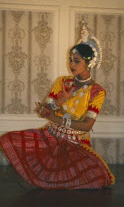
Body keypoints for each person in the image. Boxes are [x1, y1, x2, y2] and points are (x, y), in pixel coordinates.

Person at [0, 23, 115, 189]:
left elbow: (87, 125)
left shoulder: (97, 91)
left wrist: (54, 117)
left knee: (92, 179)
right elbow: (44, 111)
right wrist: (60, 101)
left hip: (75, 142)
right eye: (70, 60)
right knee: (7, 140)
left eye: (77, 61)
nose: (72, 64)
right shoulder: (63, 81)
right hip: (51, 135)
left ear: (88, 62)